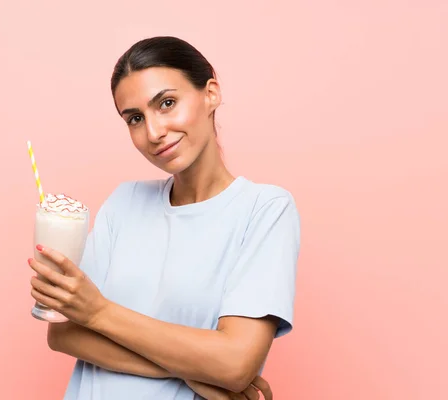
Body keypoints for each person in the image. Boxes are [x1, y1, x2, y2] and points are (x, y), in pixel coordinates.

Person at [28, 36, 301, 400]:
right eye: (135, 119)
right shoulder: (123, 203)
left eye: (167, 103)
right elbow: (63, 332)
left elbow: (236, 363)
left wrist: (98, 313)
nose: (154, 133)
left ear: (211, 94)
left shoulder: (264, 210)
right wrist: (196, 373)